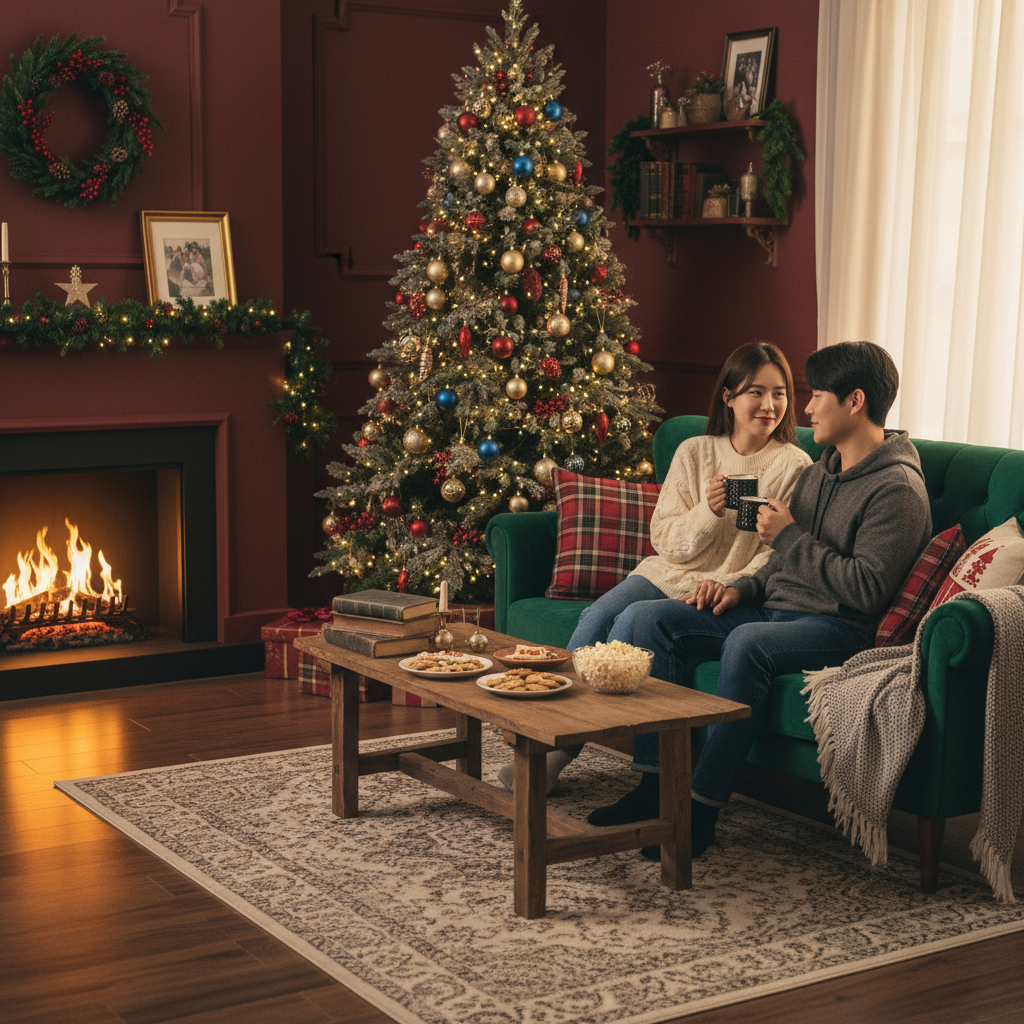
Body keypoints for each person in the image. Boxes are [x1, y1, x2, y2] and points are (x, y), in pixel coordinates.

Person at [584, 341, 933, 861]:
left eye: (816, 397)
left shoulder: (897, 489)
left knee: (748, 643)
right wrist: (738, 588)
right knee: (647, 620)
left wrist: (788, 537)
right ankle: (655, 786)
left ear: (854, 401)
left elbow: (865, 589)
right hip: (773, 609)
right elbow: (775, 561)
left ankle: (700, 811)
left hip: (838, 626)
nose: (806, 408)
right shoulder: (823, 471)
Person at [497, 341, 812, 793]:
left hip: (718, 585)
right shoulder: (694, 452)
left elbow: (774, 554)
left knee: (630, 624)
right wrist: (708, 510)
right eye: (755, 392)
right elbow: (665, 539)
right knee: (598, 616)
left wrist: (727, 583)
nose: (769, 405)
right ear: (728, 396)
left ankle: (623, 771)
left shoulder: (794, 464)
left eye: (779, 393)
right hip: (664, 572)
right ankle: (547, 742)